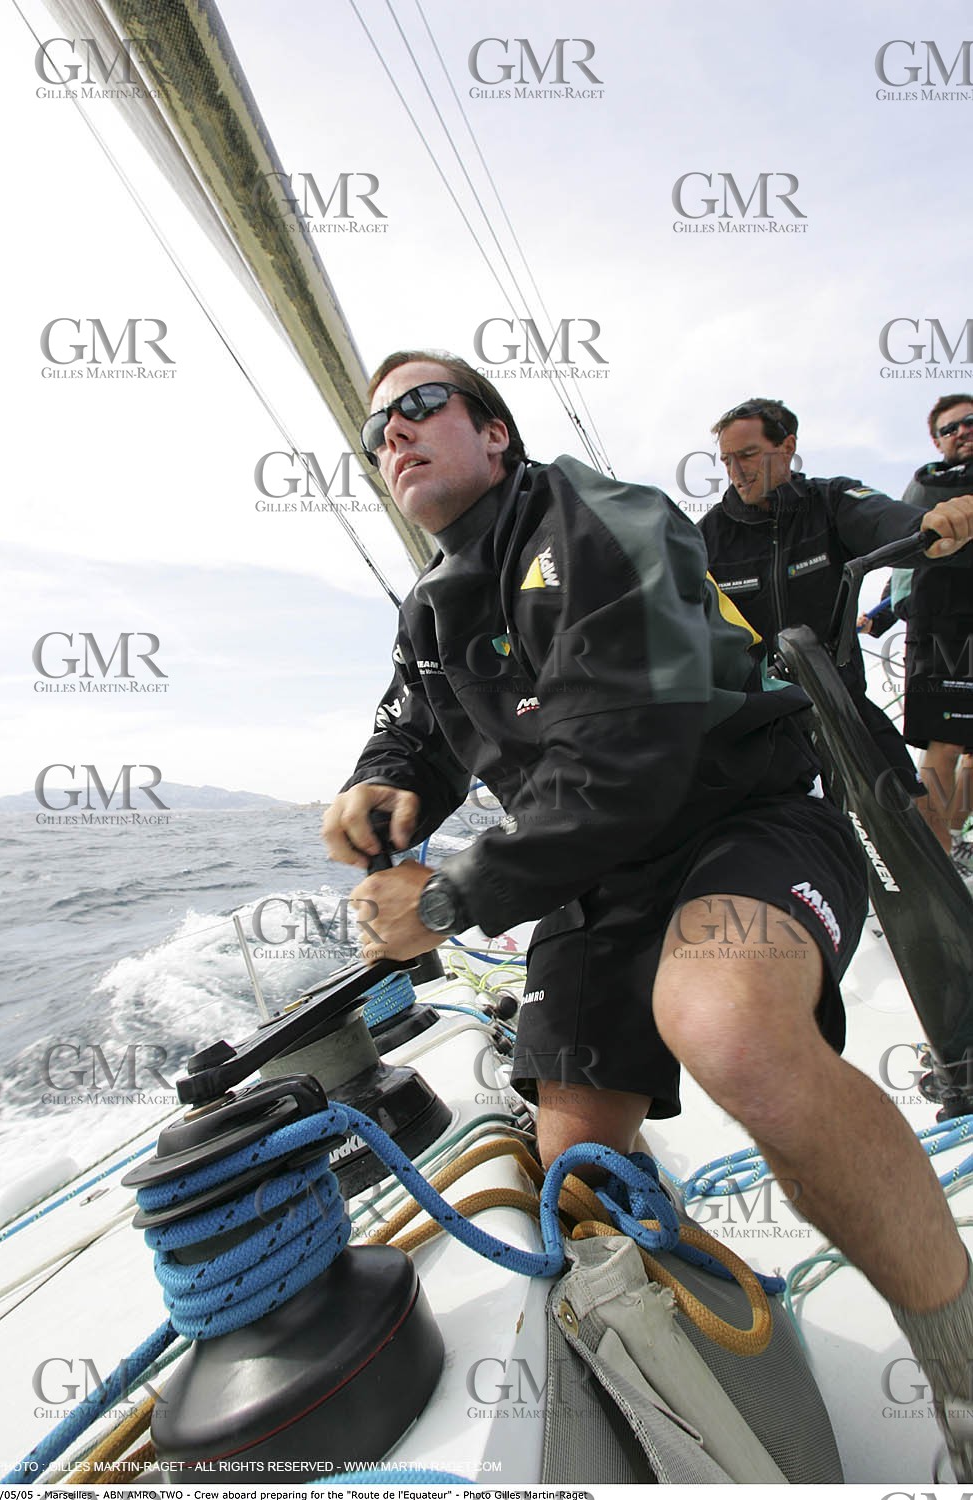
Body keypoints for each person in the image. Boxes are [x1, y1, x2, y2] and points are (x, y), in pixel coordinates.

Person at [322, 352, 973, 1477]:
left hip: (740, 823)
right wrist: (383, 779)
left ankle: (960, 1378)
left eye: (421, 407)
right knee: (578, 1184)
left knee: (722, 1022)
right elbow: (415, 723)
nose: (395, 434)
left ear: (496, 434)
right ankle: (735, 1349)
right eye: (376, 430)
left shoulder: (599, 517)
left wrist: (447, 898)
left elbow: (629, 756)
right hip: (589, 889)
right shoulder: (432, 608)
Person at [697, 397, 947, 827]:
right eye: (726, 460)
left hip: (841, 703)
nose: (736, 471)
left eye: (749, 455)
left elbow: (898, 524)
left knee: (913, 818)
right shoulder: (707, 537)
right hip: (755, 722)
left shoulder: (831, 502)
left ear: (788, 446)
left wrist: (939, 524)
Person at [893, 394, 973, 856]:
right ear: (937, 439)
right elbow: (902, 547)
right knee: (944, 739)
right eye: (950, 428)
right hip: (941, 624)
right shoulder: (926, 485)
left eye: (969, 422)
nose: (961, 431)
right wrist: (893, 607)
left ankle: (956, 844)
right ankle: (931, 863)